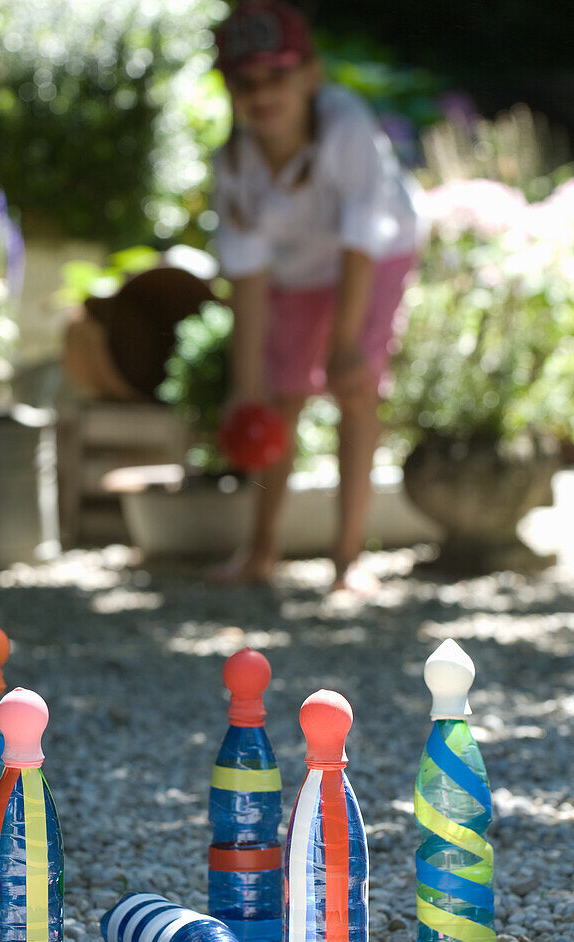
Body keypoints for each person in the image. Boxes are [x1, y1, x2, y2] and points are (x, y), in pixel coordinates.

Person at [211, 0, 420, 590]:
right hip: (300, 271)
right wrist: (242, 387)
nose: (262, 92)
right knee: (278, 397)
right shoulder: (233, 166)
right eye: (245, 80)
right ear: (229, 89)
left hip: (376, 252)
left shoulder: (346, 126)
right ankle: (260, 550)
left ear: (310, 74)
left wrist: (347, 341)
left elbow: (361, 239)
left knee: (353, 388)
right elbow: (248, 283)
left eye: (276, 74)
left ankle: (348, 560)